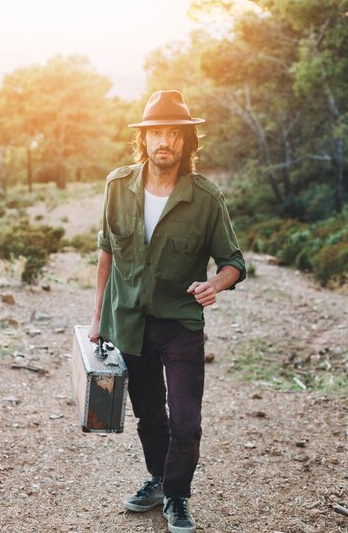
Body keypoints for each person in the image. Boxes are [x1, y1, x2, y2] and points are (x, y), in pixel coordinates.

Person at [89, 90, 245, 533]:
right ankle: (158, 479)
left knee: (187, 419)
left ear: (186, 141)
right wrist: (98, 317)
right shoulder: (117, 186)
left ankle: (178, 496)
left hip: (179, 323)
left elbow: (234, 261)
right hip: (130, 322)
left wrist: (215, 284)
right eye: (156, 132)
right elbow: (106, 252)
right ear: (145, 138)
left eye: (173, 134)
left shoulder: (206, 197)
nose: (164, 142)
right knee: (149, 414)